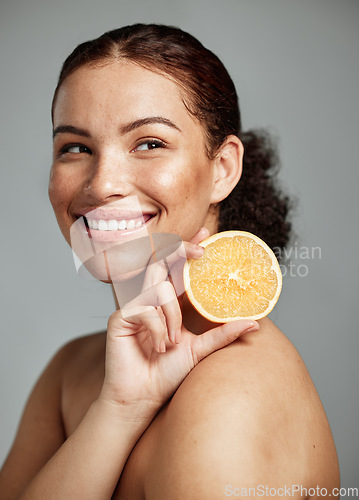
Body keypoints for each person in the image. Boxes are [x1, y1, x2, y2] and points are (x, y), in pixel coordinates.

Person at [0, 24, 339, 499]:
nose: (101, 185)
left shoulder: (231, 393)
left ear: (222, 169)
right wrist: (119, 410)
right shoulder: (72, 370)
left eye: (149, 143)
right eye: (75, 147)